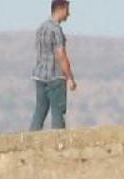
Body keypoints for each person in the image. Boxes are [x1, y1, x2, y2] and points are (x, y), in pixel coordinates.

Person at [30, 0, 77, 131]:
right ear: (60, 9)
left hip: (40, 76)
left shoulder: (41, 28)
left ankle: (30, 141)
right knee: (58, 113)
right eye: (67, 10)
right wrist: (70, 78)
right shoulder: (56, 30)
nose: (68, 14)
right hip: (55, 77)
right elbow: (61, 55)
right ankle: (58, 143)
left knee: (39, 112)